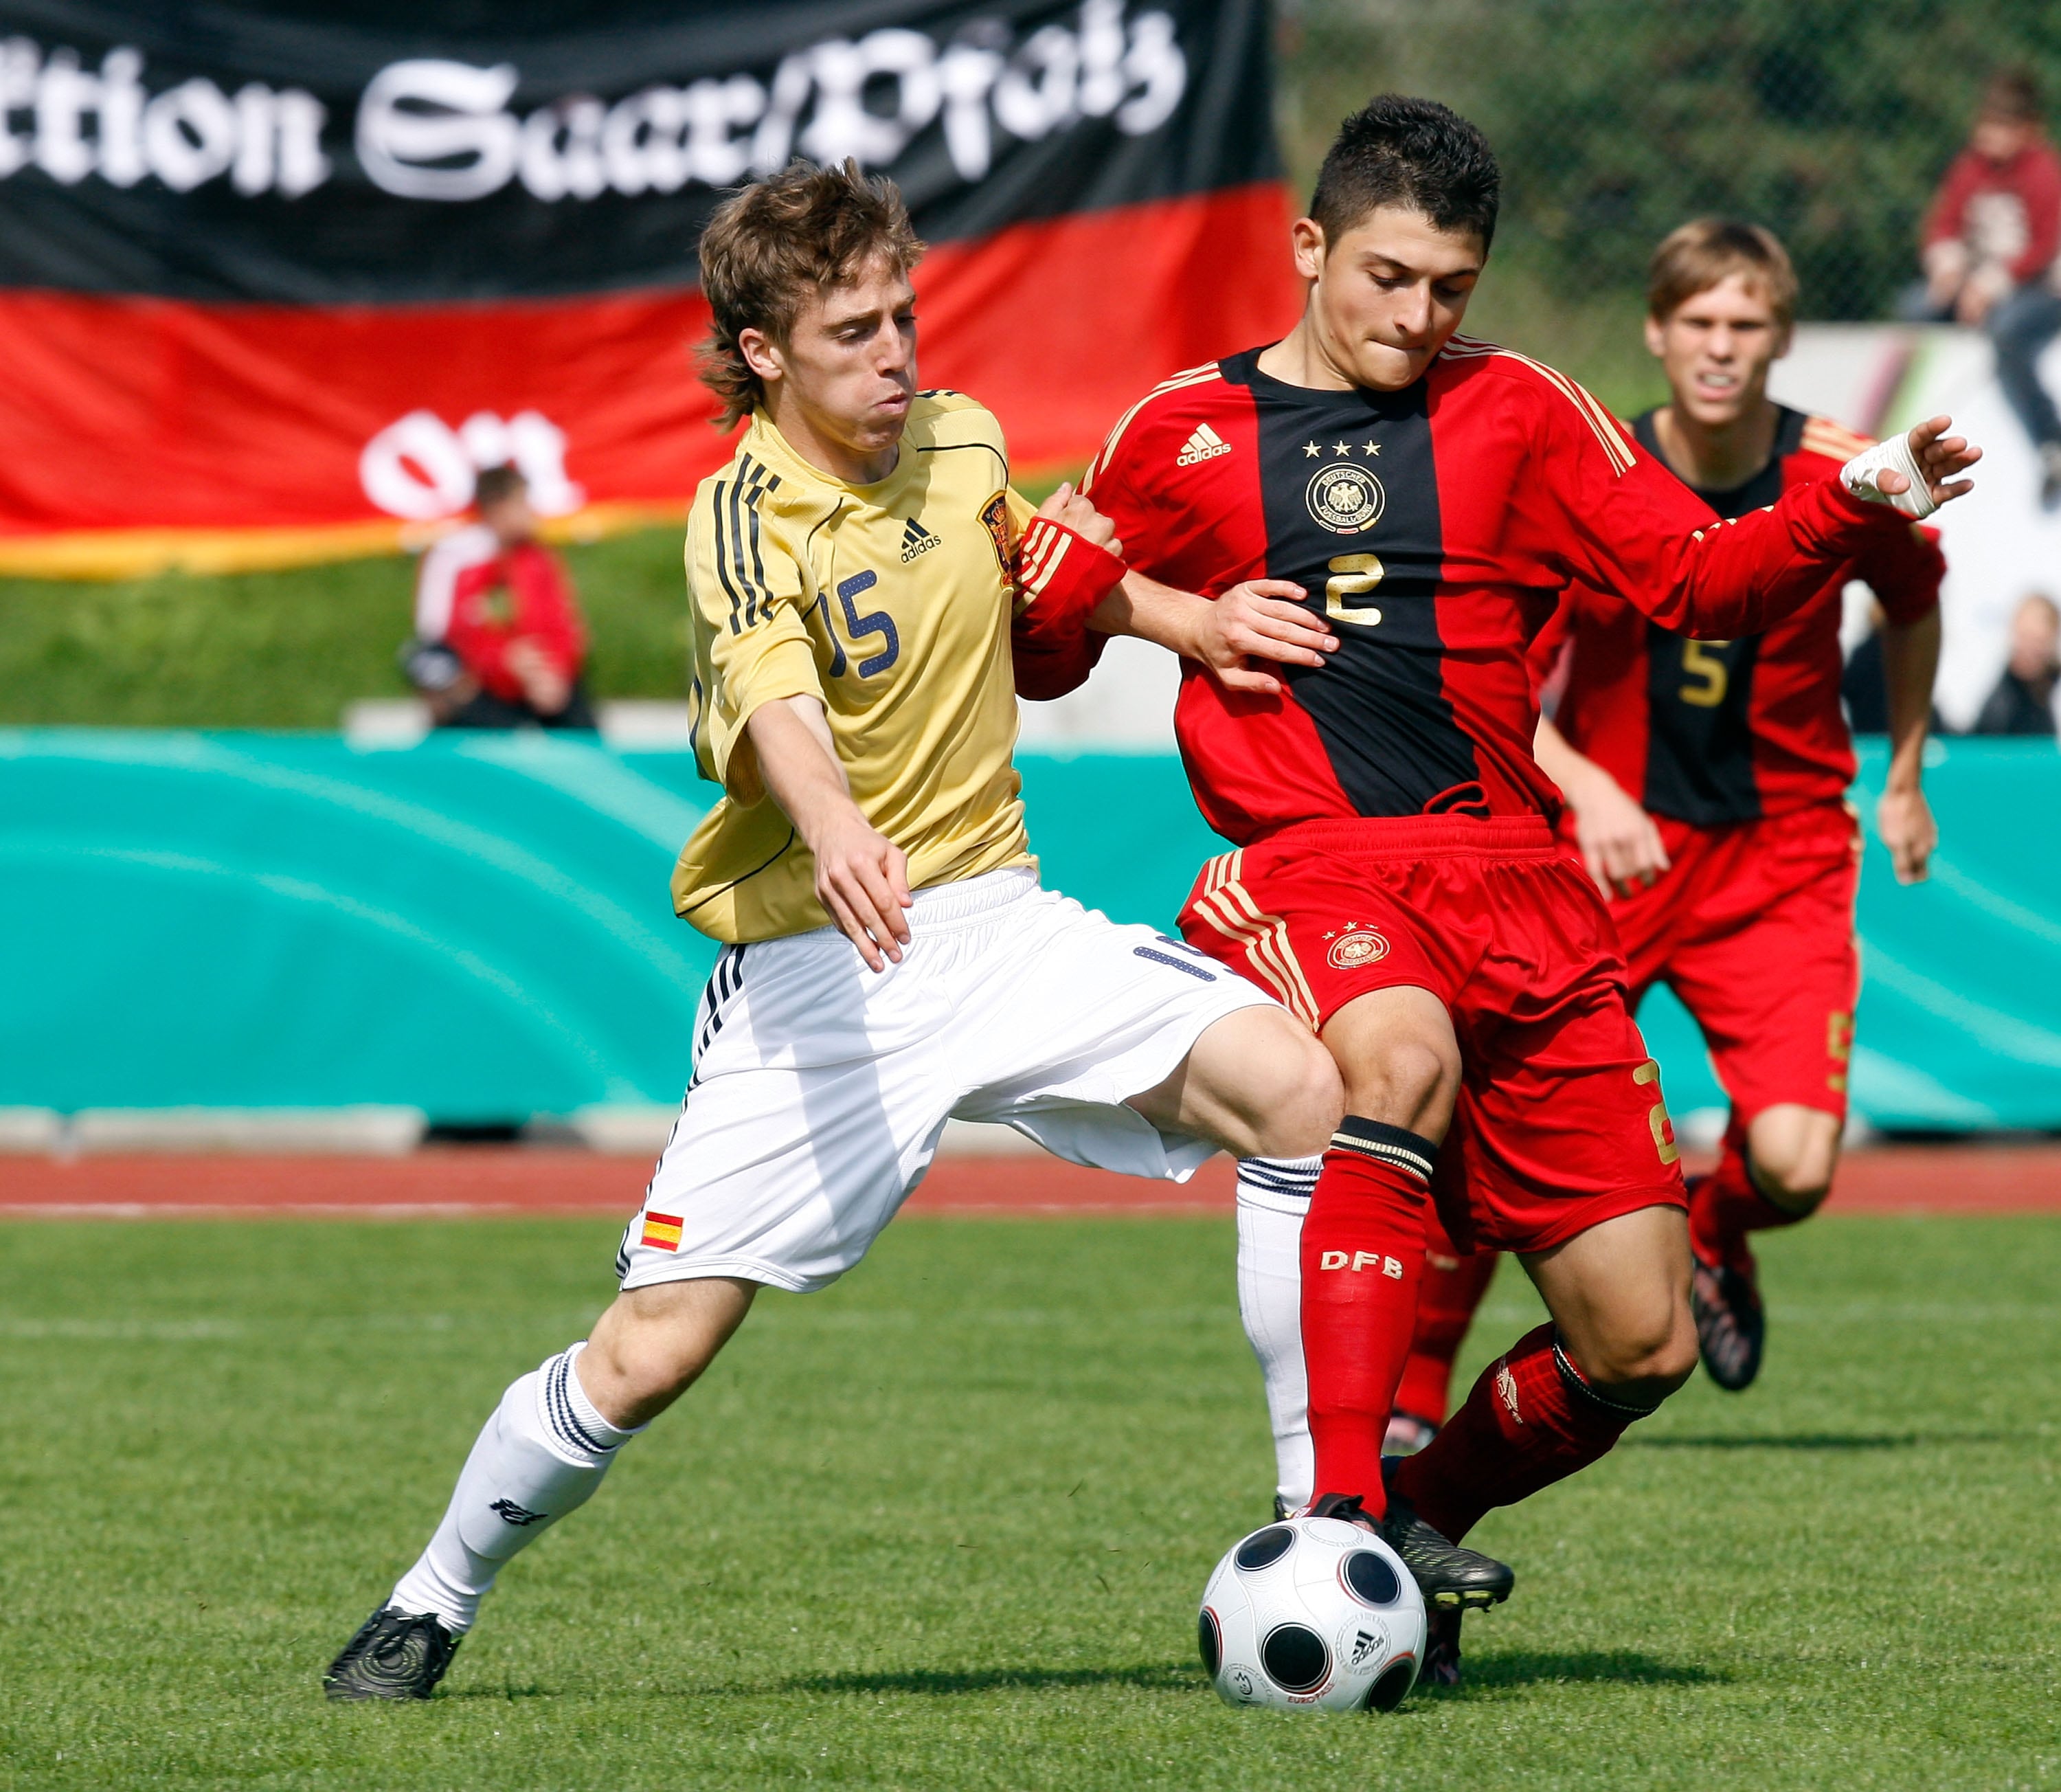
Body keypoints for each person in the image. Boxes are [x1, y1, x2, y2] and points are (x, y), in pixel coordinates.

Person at [322, 160, 1341, 1702]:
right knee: (650, 1349)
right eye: (853, 330)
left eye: (902, 317)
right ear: (761, 351)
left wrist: (1191, 617)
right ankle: (431, 1594)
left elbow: (1039, 563)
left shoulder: (960, 439)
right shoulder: (740, 516)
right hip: (825, 970)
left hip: (1000, 918)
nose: (894, 355)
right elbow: (778, 705)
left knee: (1301, 1090)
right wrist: (833, 816)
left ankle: (1321, 1522)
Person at [1050, 96, 1977, 1681]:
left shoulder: (1523, 413)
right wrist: (1164, 613)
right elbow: (1039, 639)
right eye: (1389, 278)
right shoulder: (1178, 434)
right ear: (1308, 249)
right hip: (1317, 863)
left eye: (1450, 287)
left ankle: (1412, 1510)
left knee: (1640, 1338)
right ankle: (1332, 1511)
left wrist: (1850, 497)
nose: (1419, 318)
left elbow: (1692, 577)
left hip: (1524, 889)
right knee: (1392, 1060)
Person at [1392, 220, 1946, 1427]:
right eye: (1698, 321)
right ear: (1657, 330)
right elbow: (1491, 680)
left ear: (1782, 339)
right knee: (1502, 1135)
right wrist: (1587, 787)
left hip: (1784, 855)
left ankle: (1715, 1228)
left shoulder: (1842, 474)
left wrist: (1902, 771)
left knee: (1798, 1165)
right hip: (1605, 858)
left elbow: (1914, 599)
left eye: (1746, 324)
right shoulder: (1588, 468)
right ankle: (1414, 1404)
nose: (1720, 347)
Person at [1903, 69, 2061, 508]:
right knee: (1915, 307)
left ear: (2027, 131)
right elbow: (1945, 225)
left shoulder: (2043, 171)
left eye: (2000, 129)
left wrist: (1987, 288)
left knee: (2010, 332)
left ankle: (2051, 442)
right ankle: (1913, 433)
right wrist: (1948, 269)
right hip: (1979, 286)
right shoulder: (1970, 168)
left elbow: (2043, 247)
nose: (1988, 139)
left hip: (2040, 290)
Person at [402, 463, 598, 729]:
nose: (532, 514)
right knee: (460, 695)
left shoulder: (537, 558)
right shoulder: (461, 560)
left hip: (541, 677)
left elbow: (563, 623)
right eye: (522, 504)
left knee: (580, 722)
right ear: (498, 509)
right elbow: (448, 634)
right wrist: (506, 663)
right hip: (486, 682)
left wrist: (553, 671)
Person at [1972, 592, 2061, 735]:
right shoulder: (2000, 707)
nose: (2029, 649)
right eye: (2024, 637)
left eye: (2038, 641)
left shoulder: (2052, 693)